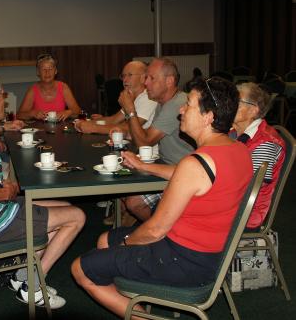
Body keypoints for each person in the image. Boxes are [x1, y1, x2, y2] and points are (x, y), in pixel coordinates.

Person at [71, 77, 252, 318]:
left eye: (188, 104)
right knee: (105, 239)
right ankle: (140, 304)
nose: (181, 109)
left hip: (183, 260)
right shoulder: (237, 149)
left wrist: (127, 245)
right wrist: (144, 167)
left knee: (81, 268)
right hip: (210, 256)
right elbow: (193, 176)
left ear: (208, 117)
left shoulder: (195, 163)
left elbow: (155, 230)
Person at [0, 72, 85, 309]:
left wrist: (2, 190)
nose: (5, 99)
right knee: (76, 217)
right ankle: (33, 286)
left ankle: (21, 277)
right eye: (2, 94)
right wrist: (5, 192)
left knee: (64, 207)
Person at [118, 57, 195, 221]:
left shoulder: (177, 104)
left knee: (134, 202)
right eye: (146, 78)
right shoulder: (162, 102)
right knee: (122, 180)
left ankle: (165, 232)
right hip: (165, 164)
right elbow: (144, 135)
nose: (146, 83)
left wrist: (130, 110)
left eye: (151, 78)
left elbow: (144, 143)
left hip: (182, 173)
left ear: (169, 81)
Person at [230, 82, 285, 229]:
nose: (229, 105)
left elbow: (249, 188)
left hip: (246, 212)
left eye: (236, 101)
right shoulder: (234, 132)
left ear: (253, 110)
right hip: (231, 203)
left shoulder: (266, 142)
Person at [74, 61, 157, 135]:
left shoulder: (148, 98)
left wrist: (93, 127)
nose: (125, 80)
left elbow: (128, 127)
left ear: (143, 78)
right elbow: (114, 120)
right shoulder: (132, 97)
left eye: (130, 75)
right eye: (123, 76)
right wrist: (86, 123)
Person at [17, 53, 81, 121]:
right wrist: (33, 113)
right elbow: (19, 115)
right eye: (43, 69)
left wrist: (69, 112)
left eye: (50, 69)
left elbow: (78, 112)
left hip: (60, 130)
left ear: (55, 71)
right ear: (38, 72)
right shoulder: (32, 90)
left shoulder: (63, 87)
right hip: (39, 130)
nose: (47, 72)